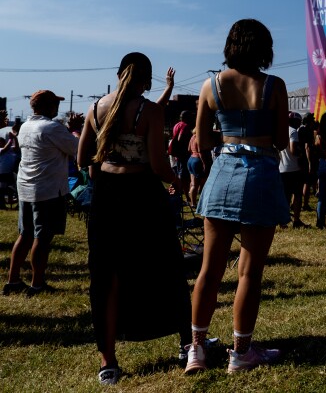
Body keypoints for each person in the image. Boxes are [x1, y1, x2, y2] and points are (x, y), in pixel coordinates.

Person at [76, 52, 189, 386]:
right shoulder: (150, 111)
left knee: (106, 277)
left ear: (118, 72)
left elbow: (83, 157)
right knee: (166, 266)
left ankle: (107, 363)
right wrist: (178, 183)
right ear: (147, 79)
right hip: (142, 193)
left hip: (106, 196)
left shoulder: (95, 109)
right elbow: (157, 164)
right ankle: (187, 343)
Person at [186, 19, 289, 374]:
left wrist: (229, 135)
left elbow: (202, 140)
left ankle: (196, 349)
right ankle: (241, 352)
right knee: (249, 272)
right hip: (260, 175)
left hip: (222, 175)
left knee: (209, 270)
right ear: (263, 47)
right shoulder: (273, 86)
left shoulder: (210, 85)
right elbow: (281, 141)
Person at [4, 91, 79, 298]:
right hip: (47, 189)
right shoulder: (52, 127)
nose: (57, 108)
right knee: (42, 238)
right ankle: (37, 284)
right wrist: (74, 131)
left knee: (25, 234)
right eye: (55, 103)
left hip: (26, 186)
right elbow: (78, 148)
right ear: (47, 106)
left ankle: (13, 279)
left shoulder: (26, 126)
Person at [279, 111, 308, 229]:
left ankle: (283, 221)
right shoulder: (293, 131)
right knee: (297, 195)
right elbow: (293, 150)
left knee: (284, 196)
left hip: (281, 168)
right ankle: (296, 220)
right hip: (293, 168)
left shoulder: (280, 131)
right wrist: (301, 154)